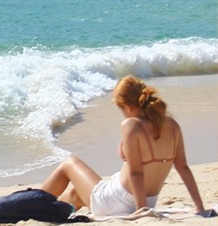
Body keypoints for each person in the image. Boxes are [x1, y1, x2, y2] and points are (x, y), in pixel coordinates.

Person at [39, 75, 206, 217]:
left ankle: (33, 203)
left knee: (69, 163)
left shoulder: (131, 125)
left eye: (121, 110)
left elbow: (136, 172)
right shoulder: (172, 125)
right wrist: (199, 207)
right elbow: (183, 166)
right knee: (76, 194)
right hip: (147, 200)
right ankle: (47, 213)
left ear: (128, 107)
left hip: (118, 201)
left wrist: (142, 211)